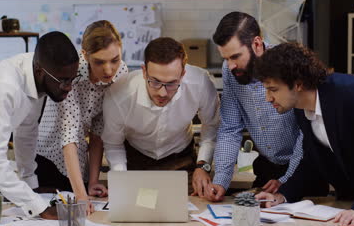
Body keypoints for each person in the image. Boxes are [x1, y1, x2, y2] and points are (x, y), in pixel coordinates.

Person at [254, 42, 354, 226]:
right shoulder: (301, 109)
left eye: (273, 89)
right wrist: (282, 196)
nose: (268, 98)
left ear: (298, 84)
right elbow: (312, 161)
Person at [0, 31, 79, 219]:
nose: (68, 87)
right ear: (39, 71)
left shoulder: (36, 76)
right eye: (63, 81)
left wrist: (31, 184)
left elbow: (26, 134)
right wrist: (39, 207)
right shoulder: (6, 87)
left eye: (72, 79)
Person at [205, 12, 306, 202]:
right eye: (225, 58)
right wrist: (220, 181)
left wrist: (287, 178)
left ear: (257, 44)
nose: (231, 65)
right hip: (267, 169)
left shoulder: (287, 65)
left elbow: (306, 131)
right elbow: (230, 128)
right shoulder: (230, 71)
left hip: (304, 169)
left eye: (235, 56)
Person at [102, 37, 220, 196]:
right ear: (144, 72)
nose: (162, 93)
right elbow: (113, 144)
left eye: (171, 83)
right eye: (155, 82)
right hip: (136, 160)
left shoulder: (200, 83)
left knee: (189, 212)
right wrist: (121, 180)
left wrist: (203, 165)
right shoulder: (119, 95)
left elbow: (211, 126)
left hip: (182, 159)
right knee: (136, 214)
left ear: (183, 74)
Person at [35, 20, 127, 213]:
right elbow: (68, 136)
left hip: (79, 161)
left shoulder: (121, 74)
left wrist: (92, 182)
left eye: (115, 59)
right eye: (99, 62)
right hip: (48, 157)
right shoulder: (72, 74)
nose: (109, 70)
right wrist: (81, 195)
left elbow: (98, 131)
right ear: (85, 55)